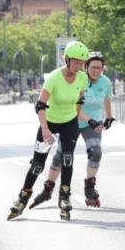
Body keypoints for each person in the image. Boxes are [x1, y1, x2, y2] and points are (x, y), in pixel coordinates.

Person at [8, 41, 91, 221]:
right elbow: (40, 105)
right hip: (49, 123)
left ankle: (64, 197)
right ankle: (22, 198)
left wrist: (78, 117)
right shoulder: (54, 77)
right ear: (67, 59)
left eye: (82, 63)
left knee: (67, 159)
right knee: (38, 165)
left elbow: (80, 99)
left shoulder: (82, 78)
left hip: (69, 122)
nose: (78, 66)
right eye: (76, 62)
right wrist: (45, 130)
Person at [30, 51, 115, 210]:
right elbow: (76, 109)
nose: (96, 71)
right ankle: (48, 189)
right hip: (72, 122)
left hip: (92, 124)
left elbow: (107, 98)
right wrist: (90, 120)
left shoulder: (105, 81)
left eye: (100, 68)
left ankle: (89, 186)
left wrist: (110, 117)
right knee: (61, 158)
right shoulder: (79, 79)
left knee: (96, 152)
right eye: (93, 67)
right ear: (86, 67)